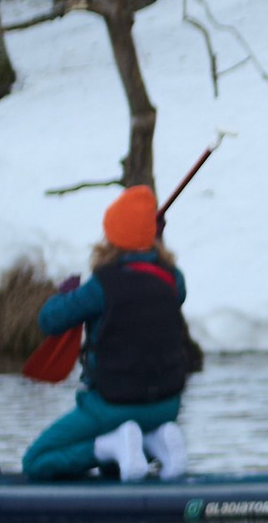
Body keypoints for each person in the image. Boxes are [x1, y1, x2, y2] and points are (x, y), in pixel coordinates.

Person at [23, 188, 194, 483]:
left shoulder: (101, 286)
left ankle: (109, 448)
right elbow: (152, 285)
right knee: (123, 455)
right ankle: (159, 442)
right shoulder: (173, 279)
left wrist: (65, 293)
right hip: (167, 406)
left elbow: (49, 321)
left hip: (112, 406)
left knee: (36, 461)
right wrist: (155, 245)